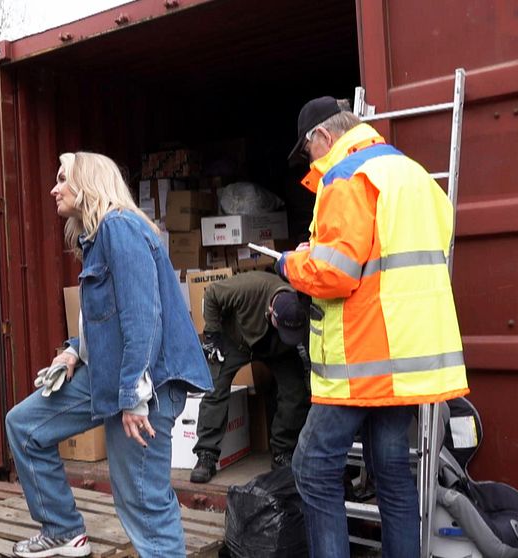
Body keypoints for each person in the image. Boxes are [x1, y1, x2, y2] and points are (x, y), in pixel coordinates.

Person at [278, 96, 469, 557]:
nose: (312, 164)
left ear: (321, 137)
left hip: (362, 359)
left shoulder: (346, 177)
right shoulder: (415, 176)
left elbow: (335, 273)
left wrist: (292, 264)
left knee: (311, 468)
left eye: (309, 154)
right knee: (391, 472)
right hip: (407, 359)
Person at [5, 152, 213, 558]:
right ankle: (63, 531)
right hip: (106, 372)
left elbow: (142, 316)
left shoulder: (120, 227)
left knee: (142, 501)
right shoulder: (100, 235)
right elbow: (106, 320)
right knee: (25, 427)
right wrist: (72, 353)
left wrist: (135, 396)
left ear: (88, 182)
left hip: (143, 383)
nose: (54, 188)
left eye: (63, 178)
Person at [189, 271, 311, 483]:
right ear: (271, 310)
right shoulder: (247, 288)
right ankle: (206, 454)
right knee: (215, 389)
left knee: (295, 392)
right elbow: (212, 295)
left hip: (279, 348)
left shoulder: (300, 306)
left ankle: (283, 450)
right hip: (236, 339)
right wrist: (212, 336)